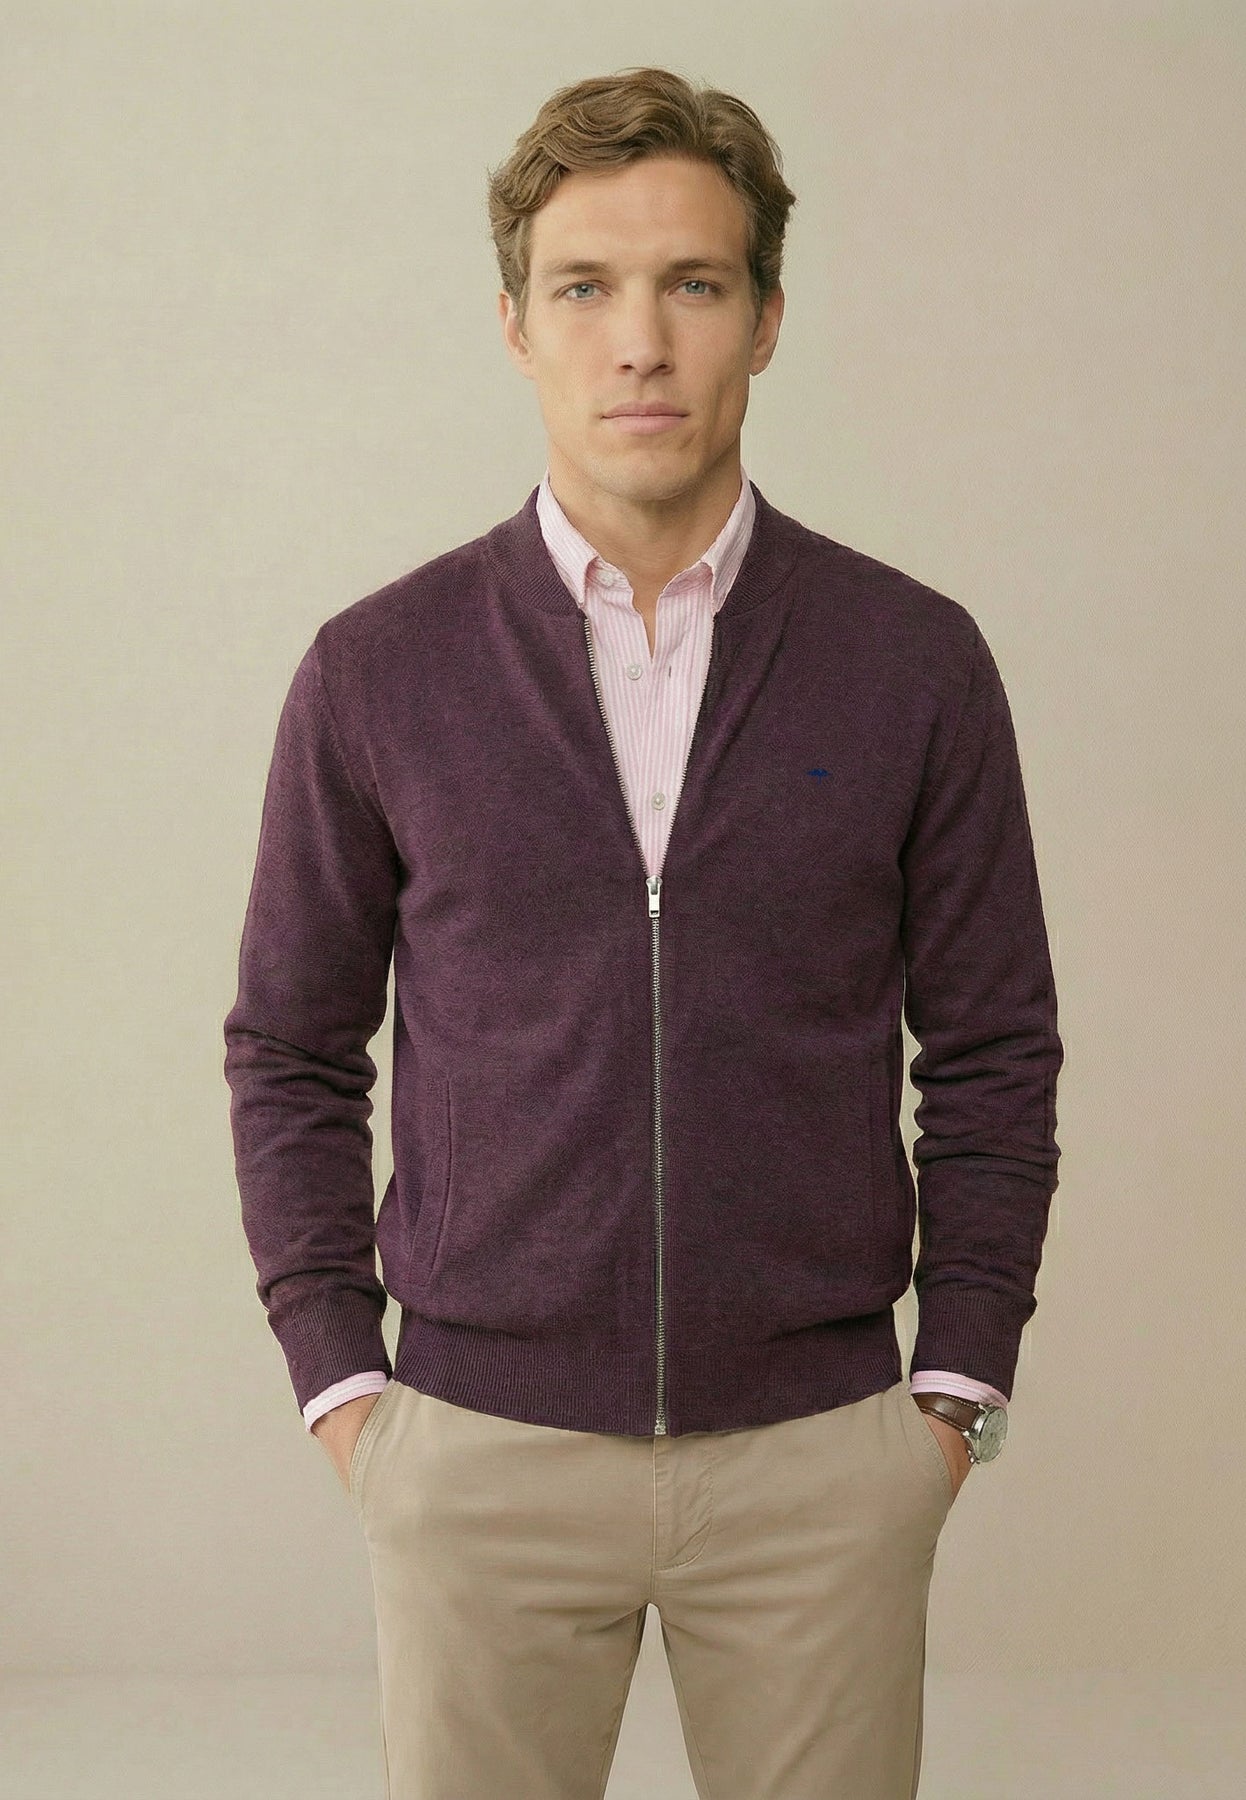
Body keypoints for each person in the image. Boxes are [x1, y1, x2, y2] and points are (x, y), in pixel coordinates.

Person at [223, 63, 1062, 1800]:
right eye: (584, 288)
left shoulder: (911, 662)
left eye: (692, 282)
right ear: (514, 325)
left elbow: (991, 1049)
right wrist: (343, 1387)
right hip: (479, 1452)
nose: (640, 342)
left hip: (822, 1458)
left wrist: (952, 1388)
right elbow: (290, 1050)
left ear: (765, 319)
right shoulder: (378, 671)